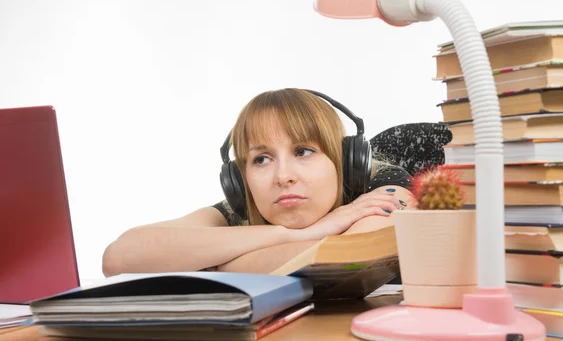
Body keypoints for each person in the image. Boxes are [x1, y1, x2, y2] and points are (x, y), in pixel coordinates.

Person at [102, 88, 416, 277]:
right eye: (261, 159)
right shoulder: (234, 211)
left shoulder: (384, 185)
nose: (283, 176)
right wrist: (300, 234)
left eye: (303, 151)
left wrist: (210, 263)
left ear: (343, 161)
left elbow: (345, 258)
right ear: (240, 179)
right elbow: (119, 257)